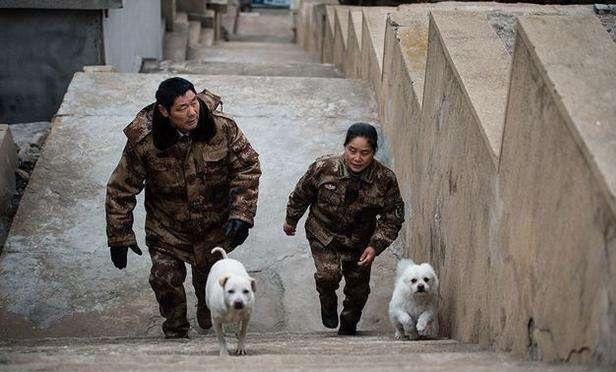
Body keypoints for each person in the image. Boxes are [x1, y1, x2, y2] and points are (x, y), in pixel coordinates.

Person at [105, 77, 261, 339]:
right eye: (181, 108)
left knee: (207, 283)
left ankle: (205, 306)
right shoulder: (145, 140)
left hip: (213, 226)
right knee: (164, 279)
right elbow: (121, 189)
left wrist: (242, 213)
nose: (191, 113)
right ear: (164, 111)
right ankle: (176, 331)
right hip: (167, 228)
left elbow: (247, 167)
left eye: (194, 104)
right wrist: (119, 236)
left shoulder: (222, 127)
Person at [283, 123, 404, 335]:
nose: (357, 158)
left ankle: (348, 326)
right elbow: (301, 193)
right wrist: (291, 220)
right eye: (352, 151)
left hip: (360, 241)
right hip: (324, 233)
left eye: (365, 153)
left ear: (374, 152)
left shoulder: (385, 179)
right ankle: (327, 301)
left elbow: (392, 217)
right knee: (328, 275)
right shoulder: (324, 167)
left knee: (358, 292)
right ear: (345, 147)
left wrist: (375, 246)